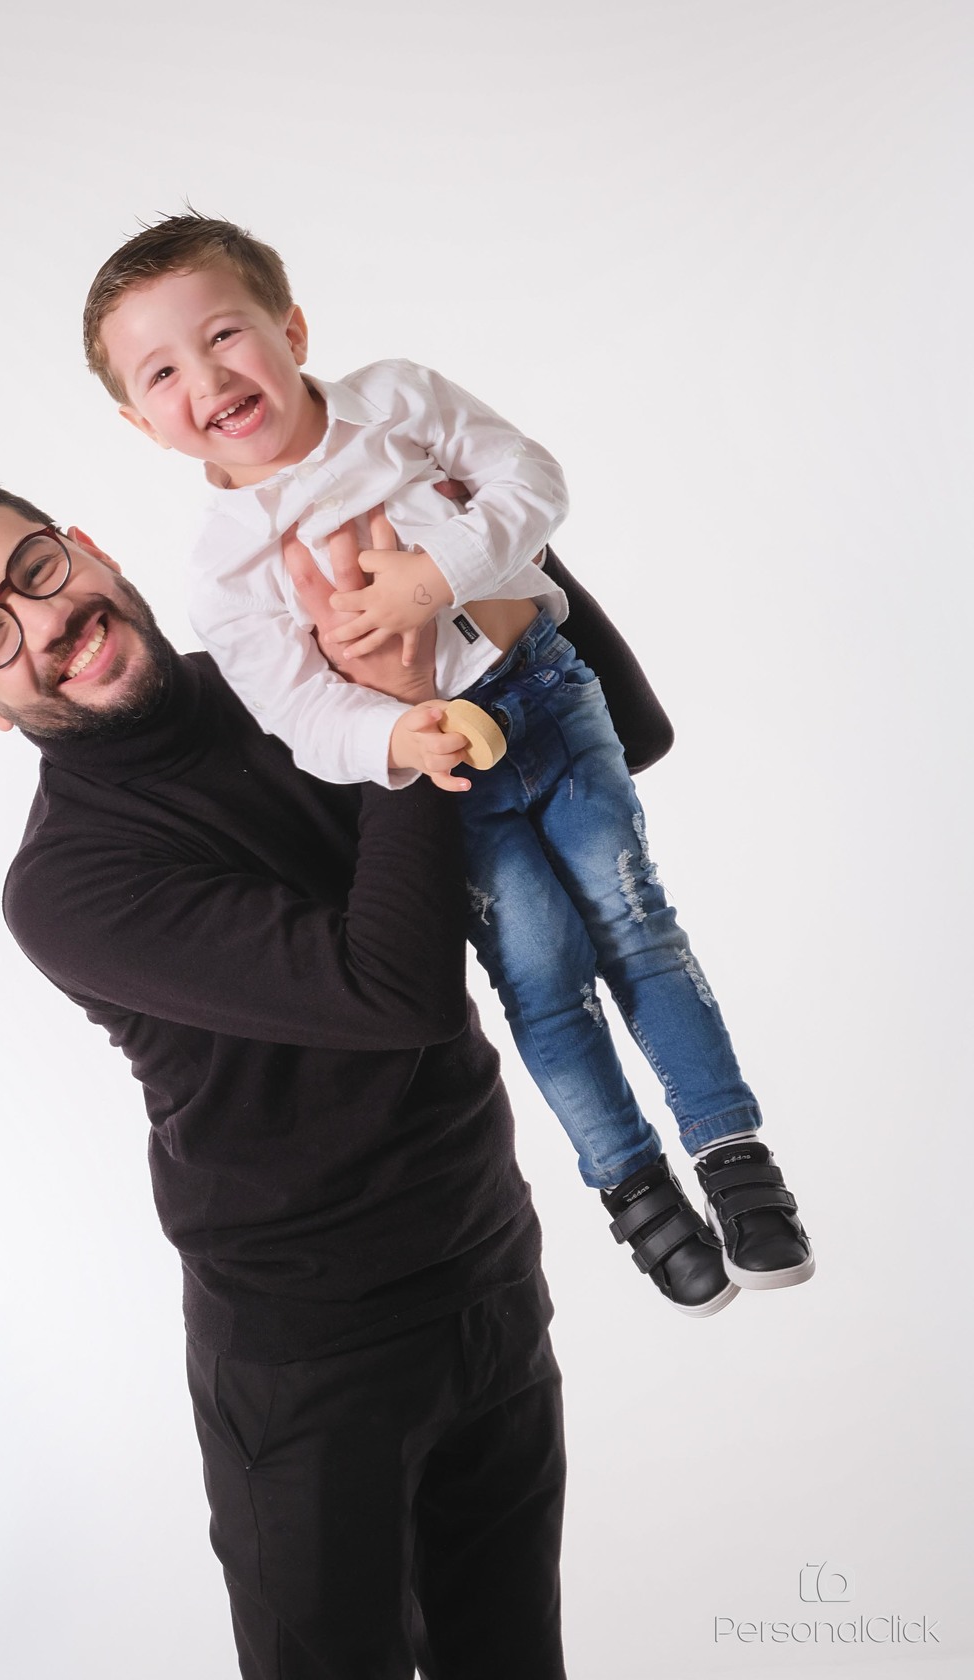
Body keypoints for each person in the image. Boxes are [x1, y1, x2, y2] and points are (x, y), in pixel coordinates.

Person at [0, 474, 596, 1679]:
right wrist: (402, 700)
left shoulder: (289, 673)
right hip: (309, 1364)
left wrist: (481, 555)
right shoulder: (66, 888)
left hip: (490, 1268)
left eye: (35, 571)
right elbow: (391, 992)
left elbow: (620, 745)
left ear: (85, 547)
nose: (46, 622)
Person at [79, 212, 814, 1315]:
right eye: (165, 372)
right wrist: (391, 734)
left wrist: (437, 575)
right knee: (541, 978)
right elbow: (298, 713)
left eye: (225, 334)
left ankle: (733, 1155)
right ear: (144, 424)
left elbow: (533, 483)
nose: (209, 377)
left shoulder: (396, 401)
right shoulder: (224, 572)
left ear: (291, 329)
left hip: (545, 693)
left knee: (636, 922)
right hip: (443, 773)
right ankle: (633, 1185)